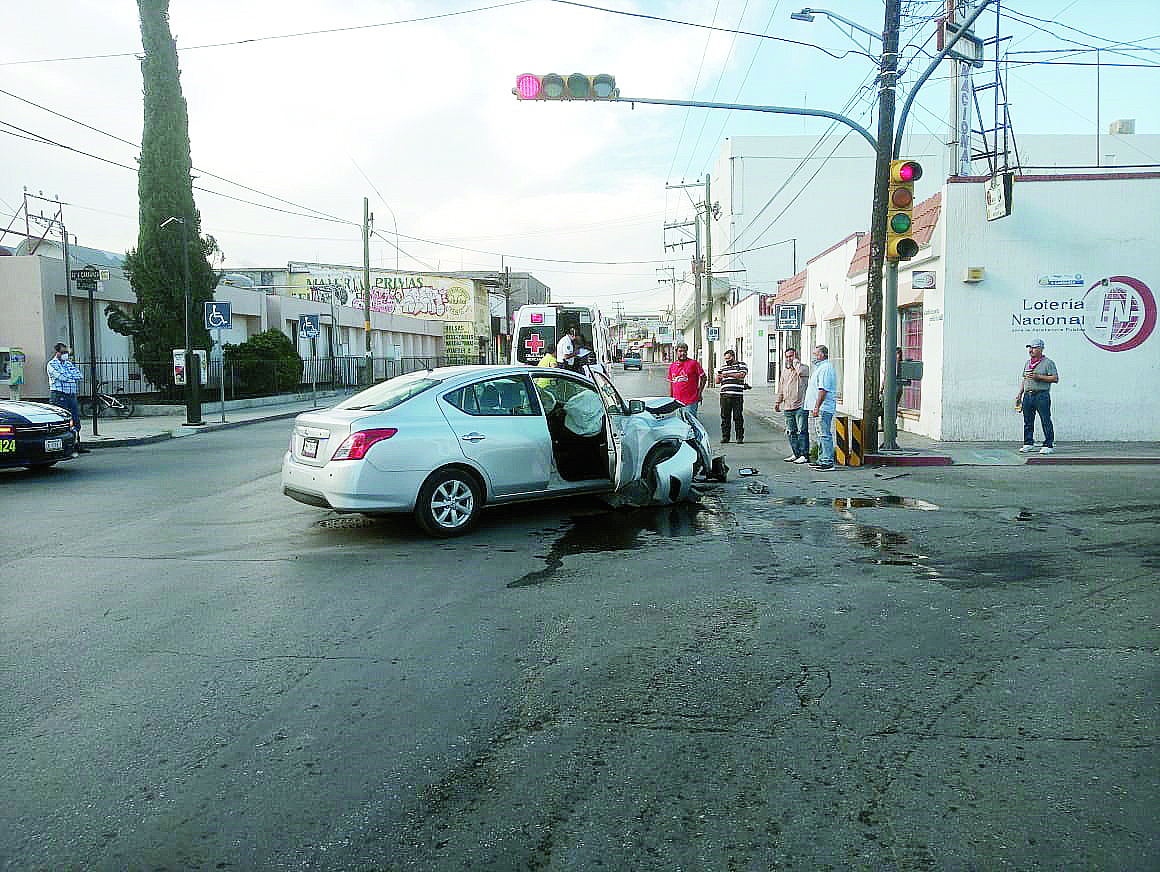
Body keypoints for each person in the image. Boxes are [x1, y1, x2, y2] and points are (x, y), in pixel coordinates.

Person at [1015, 337, 1059, 454]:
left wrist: (1038, 377)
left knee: (1045, 420)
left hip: (1041, 395)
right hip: (1027, 396)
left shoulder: (1048, 363)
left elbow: (1055, 378)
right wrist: (1020, 394)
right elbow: (1024, 379)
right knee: (1028, 421)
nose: (1031, 350)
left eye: (1034, 348)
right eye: (1030, 347)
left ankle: (1048, 444)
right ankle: (1028, 443)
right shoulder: (1027, 363)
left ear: (1041, 349)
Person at [47, 342, 90, 453]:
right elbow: (61, 377)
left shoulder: (68, 364)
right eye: (63, 352)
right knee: (62, 420)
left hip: (71, 395)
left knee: (75, 419)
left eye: (66, 352)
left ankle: (77, 444)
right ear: (57, 353)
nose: (65, 354)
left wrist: (68, 375)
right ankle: (63, 446)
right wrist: (70, 376)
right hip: (59, 395)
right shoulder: (51, 364)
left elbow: (79, 375)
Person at [775, 347, 810, 464]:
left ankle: (804, 454)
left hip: (800, 405)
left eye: (791, 356)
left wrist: (796, 362)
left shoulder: (803, 368)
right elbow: (781, 387)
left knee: (802, 431)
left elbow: (801, 372)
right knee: (790, 431)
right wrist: (778, 402)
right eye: (787, 357)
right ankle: (796, 453)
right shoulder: (785, 371)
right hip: (788, 406)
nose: (789, 359)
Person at [806, 344, 837, 471]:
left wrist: (817, 407)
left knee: (824, 434)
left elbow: (823, 389)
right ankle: (821, 458)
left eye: (815, 354)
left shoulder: (826, 368)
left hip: (823, 407)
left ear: (822, 355)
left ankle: (827, 460)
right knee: (820, 434)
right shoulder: (820, 368)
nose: (813, 356)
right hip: (819, 407)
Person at [715, 348, 748, 443]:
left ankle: (739, 437)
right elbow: (717, 381)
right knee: (725, 416)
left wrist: (727, 375)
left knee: (738, 416)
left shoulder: (741, 365)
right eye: (725, 359)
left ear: (733, 357)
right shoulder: (723, 367)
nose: (727, 361)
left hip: (737, 395)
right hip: (725, 395)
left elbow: (741, 375)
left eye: (728, 358)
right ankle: (725, 437)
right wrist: (718, 376)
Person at [667, 342, 706, 416]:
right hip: (677, 401)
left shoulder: (694, 363)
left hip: (690, 401)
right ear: (676, 352)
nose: (683, 353)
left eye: (685, 351)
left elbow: (704, 377)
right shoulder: (672, 366)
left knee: (690, 423)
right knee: (680, 424)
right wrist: (671, 397)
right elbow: (671, 383)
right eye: (680, 351)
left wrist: (699, 393)